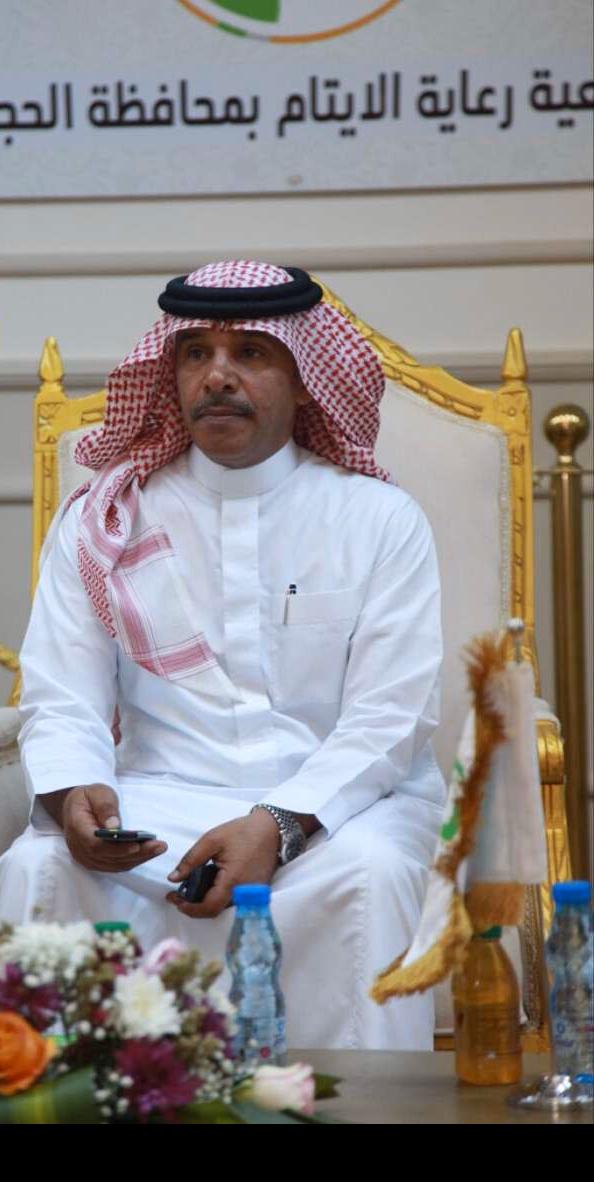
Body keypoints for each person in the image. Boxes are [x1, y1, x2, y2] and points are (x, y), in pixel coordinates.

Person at [0, 260, 446, 1050]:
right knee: (40, 869)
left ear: (304, 380)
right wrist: (75, 797)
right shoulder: (106, 519)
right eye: (196, 353)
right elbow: (63, 694)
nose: (217, 376)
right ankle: (86, 1097)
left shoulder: (379, 519)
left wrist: (277, 826)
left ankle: (363, 1104)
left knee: (371, 876)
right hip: (157, 803)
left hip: (338, 815)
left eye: (251, 353)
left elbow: (390, 718)